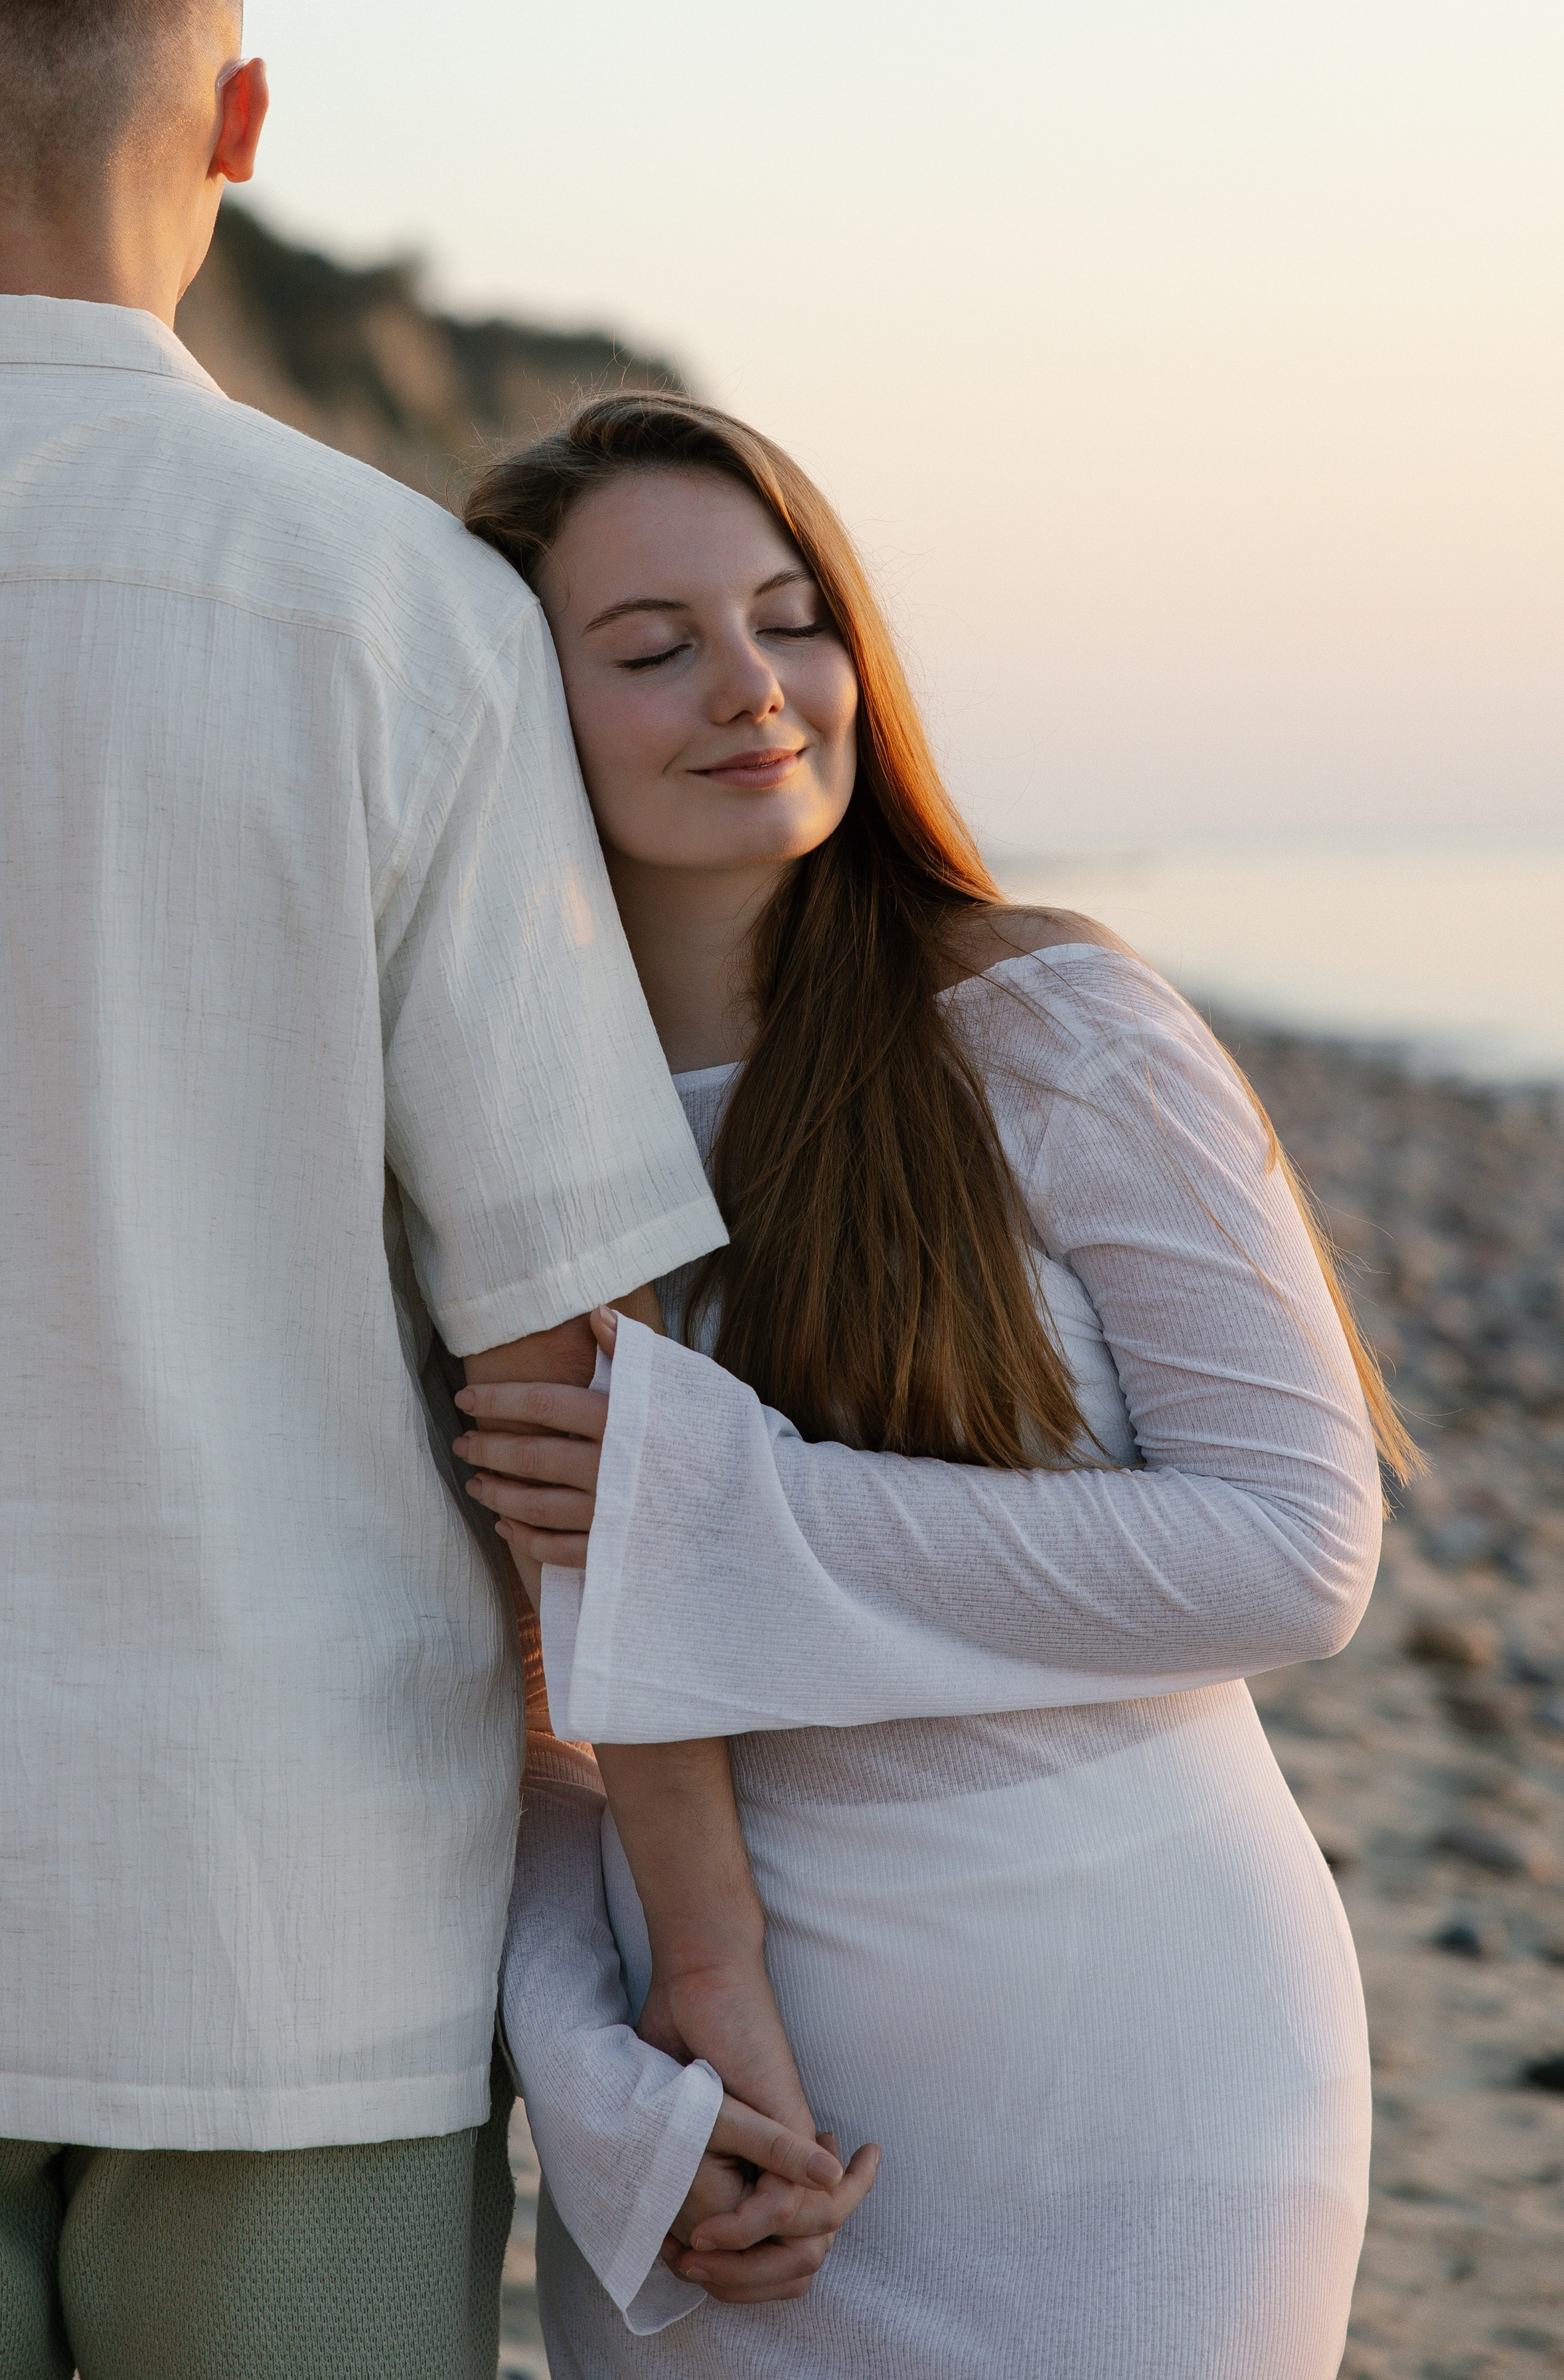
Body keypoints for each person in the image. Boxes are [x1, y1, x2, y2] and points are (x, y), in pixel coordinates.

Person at [0, 15, 832, 2377]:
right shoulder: (393, 606)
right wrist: (706, 1961)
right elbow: (569, 1362)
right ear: (243, 127)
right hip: (296, 1916)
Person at [455, 394, 1418, 2375]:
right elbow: (506, 1721)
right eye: (652, 648)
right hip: (735, 2128)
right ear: (506, 710)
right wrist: (614, 2090)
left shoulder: (1051, 1023)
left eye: (793, 617)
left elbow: (1296, 1548)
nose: (753, 687)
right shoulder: (469, 1146)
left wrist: (730, 1510)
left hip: (1141, 2082)